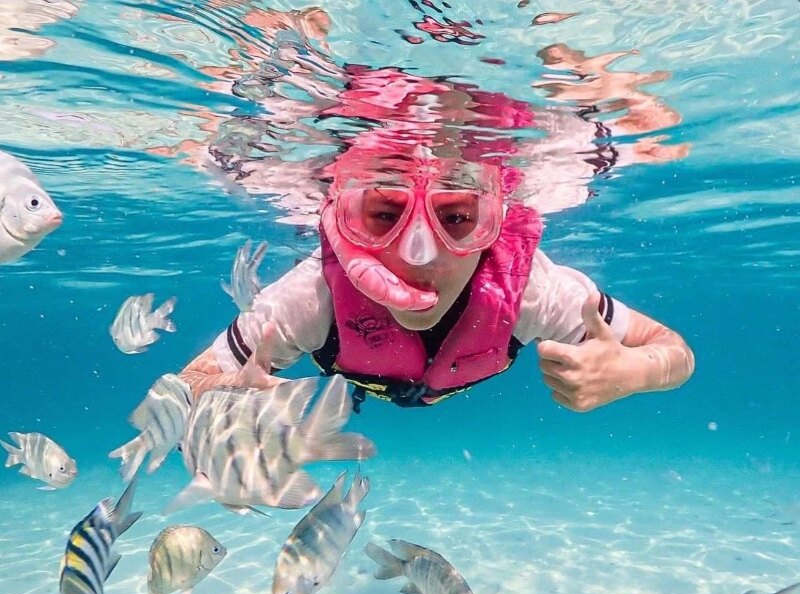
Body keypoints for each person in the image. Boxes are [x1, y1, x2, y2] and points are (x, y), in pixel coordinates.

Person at [178, 132, 694, 412]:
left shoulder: (533, 291)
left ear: (493, 222)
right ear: (345, 218)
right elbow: (187, 386)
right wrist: (227, 396)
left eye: (457, 219)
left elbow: (674, 350)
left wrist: (633, 373)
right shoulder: (312, 297)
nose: (420, 255)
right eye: (384, 216)